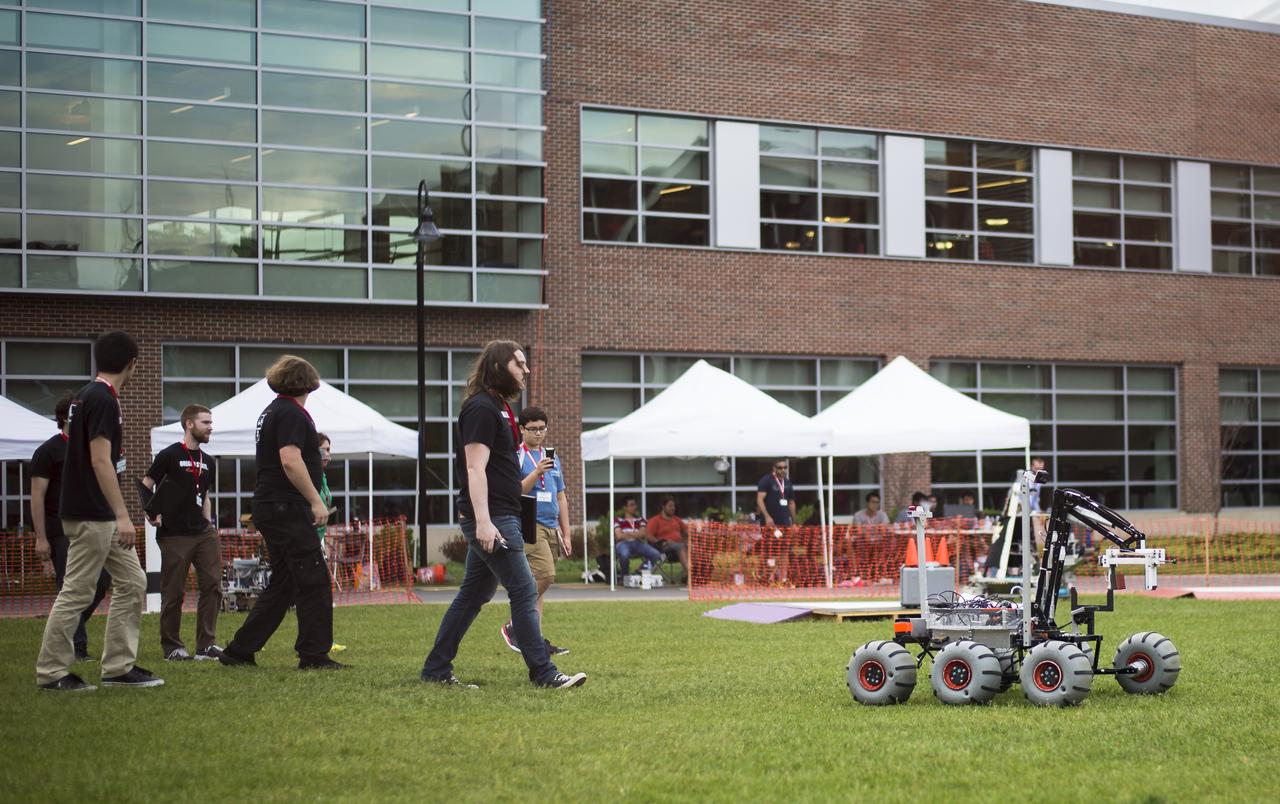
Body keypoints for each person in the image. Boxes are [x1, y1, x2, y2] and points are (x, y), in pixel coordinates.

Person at [421, 341, 585, 689]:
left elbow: (501, 472)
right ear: (498, 367)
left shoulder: (501, 408)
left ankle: (435, 670)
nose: (526, 371)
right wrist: (483, 521)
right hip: (493, 517)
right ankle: (544, 673)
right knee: (525, 591)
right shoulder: (480, 408)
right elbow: (474, 467)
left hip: (504, 512)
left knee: (472, 596)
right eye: (519, 365)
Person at [35, 331, 160, 691]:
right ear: (132, 364)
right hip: (93, 513)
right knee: (77, 590)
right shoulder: (104, 399)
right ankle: (52, 672)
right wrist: (122, 514)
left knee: (133, 582)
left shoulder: (85, 397)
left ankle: (119, 668)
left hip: (91, 512)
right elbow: (100, 459)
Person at [218, 355, 341, 671]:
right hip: (286, 508)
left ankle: (239, 649)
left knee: (285, 583)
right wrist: (316, 501)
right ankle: (314, 655)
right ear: (307, 382)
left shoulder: (273, 411)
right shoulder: (290, 413)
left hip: (272, 506)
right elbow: (290, 459)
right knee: (313, 577)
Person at [30, 392, 111, 663]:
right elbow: (37, 497)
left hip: (91, 525)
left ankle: (65, 626)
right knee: (72, 585)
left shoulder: (90, 449)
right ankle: (76, 649)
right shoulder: (48, 451)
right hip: (59, 529)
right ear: (66, 418)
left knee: (103, 580)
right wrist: (41, 538)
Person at [143, 404, 223, 662]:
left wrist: (208, 523)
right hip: (174, 534)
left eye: (211, 422)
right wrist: (151, 513)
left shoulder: (208, 461)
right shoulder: (168, 455)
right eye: (205, 422)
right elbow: (146, 485)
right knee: (174, 591)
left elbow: (205, 495)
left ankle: (206, 645)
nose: (211, 427)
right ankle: (172, 647)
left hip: (203, 532)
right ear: (189, 424)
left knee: (213, 585)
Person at [505, 406, 572, 656]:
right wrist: (536, 472)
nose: (538, 434)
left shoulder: (552, 456)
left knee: (538, 584)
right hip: (528, 522)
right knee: (546, 576)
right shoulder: (518, 456)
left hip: (551, 524)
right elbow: (516, 491)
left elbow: (561, 496)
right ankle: (516, 625)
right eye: (532, 429)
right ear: (522, 429)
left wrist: (566, 533)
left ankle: (535, 640)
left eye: (542, 428)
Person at [316, 433, 347, 654]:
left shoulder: (322, 477)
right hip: (307, 540)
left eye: (329, 449)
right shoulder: (309, 475)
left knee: (320, 593)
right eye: (322, 449)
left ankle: (322, 641)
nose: (327, 454)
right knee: (318, 593)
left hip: (317, 538)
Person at [614, 495, 660, 575]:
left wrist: (627, 533)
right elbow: (619, 536)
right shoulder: (618, 520)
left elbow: (642, 534)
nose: (634, 507)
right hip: (623, 544)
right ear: (625, 508)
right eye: (631, 505)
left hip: (638, 543)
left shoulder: (640, 519)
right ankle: (624, 576)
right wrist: (636, 533)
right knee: (624, 554)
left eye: (635, 504)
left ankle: (639, 572)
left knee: (656, 554)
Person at [646, 495, 689, 579]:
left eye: (674, 506)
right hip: (664, 549)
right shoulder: (655, 520)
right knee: (681, 546)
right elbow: (648, 535)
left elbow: (686, 531)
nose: (673, 508)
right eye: (670, 506)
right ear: (663, 507)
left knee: (695, 547)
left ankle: (694, 576)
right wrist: (659, 542)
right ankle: (691, 575)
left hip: (680, 549)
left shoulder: (676, 519)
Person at [756, 459, 797, 528]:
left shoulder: (788, 482)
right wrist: (767, 517)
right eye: (780, 468)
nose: (783, 470)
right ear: (774, 468)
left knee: (785, 538)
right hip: (770, 523)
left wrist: (794, 522)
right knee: (770, 539)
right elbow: (760, 500)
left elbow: (791, 503)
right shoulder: (766, 480)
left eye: (785, 467)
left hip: (785, 522)